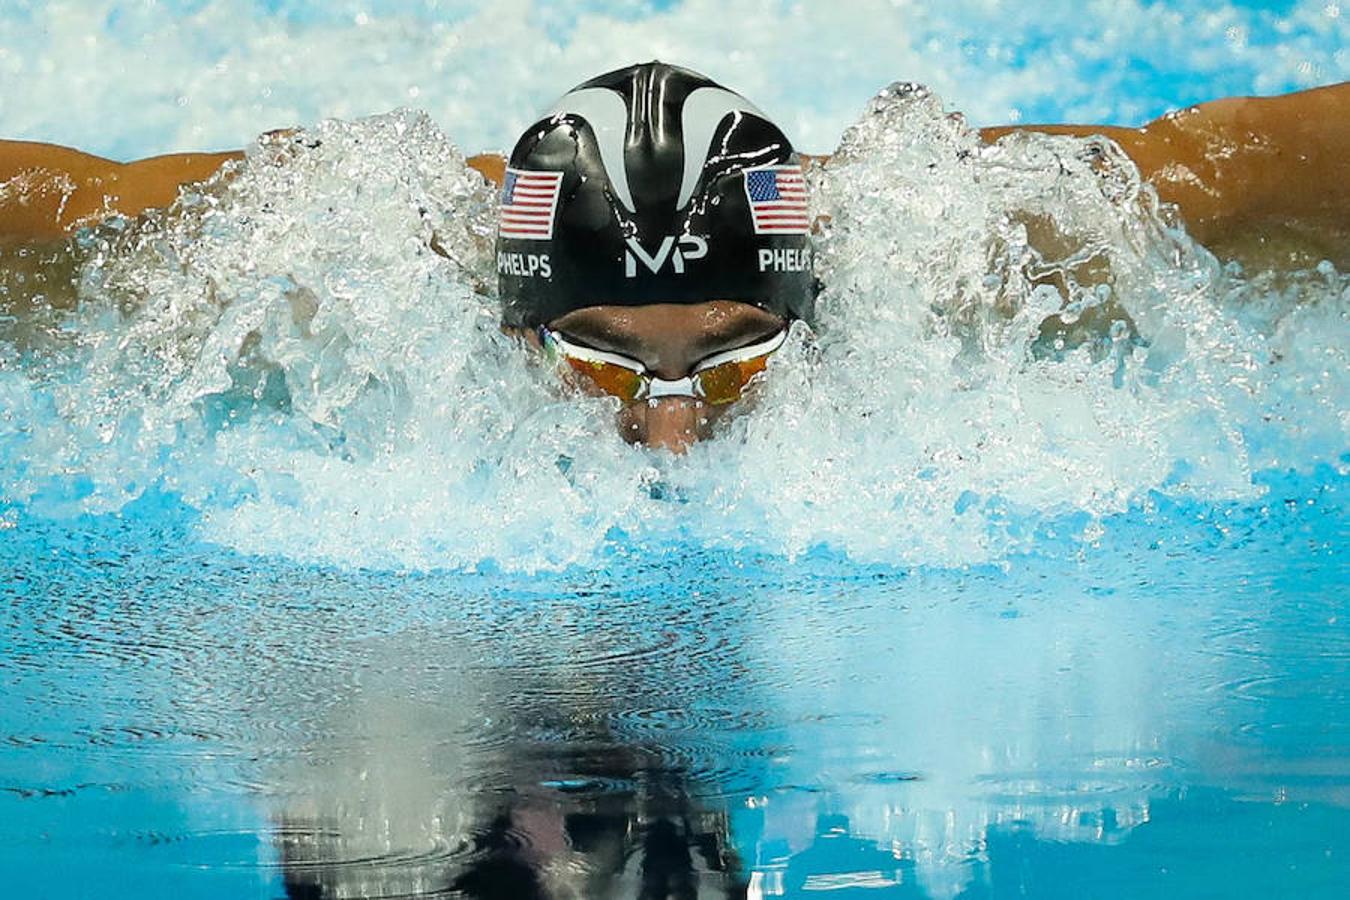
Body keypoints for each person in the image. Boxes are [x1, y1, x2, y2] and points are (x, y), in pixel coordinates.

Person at [2, 63, 1347, 451]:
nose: (668, 430)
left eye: (731, 349)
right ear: (518, 314)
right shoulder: (341, 269)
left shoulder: (965, 253)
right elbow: (63, 212)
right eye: (600, 354)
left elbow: (1232, 167)